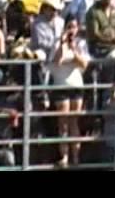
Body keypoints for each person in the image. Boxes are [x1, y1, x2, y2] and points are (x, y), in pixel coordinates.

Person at [49, 17, 90, 168]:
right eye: (69, 26)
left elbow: (84, 64)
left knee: (74, 122)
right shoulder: (58, 43)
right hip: (61, 85)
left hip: (76, 84)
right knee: (63, 123)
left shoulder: (81, 44)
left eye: (74, 26)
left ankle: (76, 157)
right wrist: (63, 43)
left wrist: (74, 49)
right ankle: (64, 157)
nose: (71, 30)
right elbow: (57, 61)